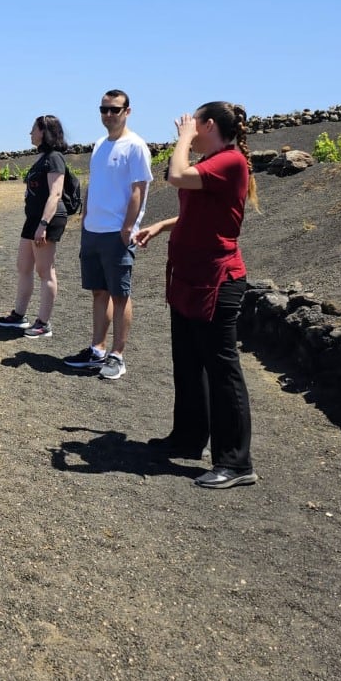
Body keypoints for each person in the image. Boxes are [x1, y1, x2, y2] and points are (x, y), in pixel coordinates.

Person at [134, 101, 259, 489]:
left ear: (208, 125)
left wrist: (184, 139)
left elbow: (176, 175)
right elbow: (199, 209)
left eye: (193, 123)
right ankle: (188, 438)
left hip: (217, 280)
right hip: (189, 276)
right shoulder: (214, 164)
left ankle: (236, 463)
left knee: (222, 371)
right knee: (187, 362)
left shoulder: (232, 161)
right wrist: (162, 225)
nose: (185, 128)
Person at [62, 89, 152, 380]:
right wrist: (86, 216)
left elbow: (139, 189)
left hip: (117, 232)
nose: (108, 115)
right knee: (99, 292)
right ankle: (97, 349)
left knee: (120, 294)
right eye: (104, 109)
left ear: (128, 111)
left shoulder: (136, 146)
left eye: (114, 109)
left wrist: (129, 226)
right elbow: (93, 184)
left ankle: (118, 355)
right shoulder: (100, 144)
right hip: (94, 230)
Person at [0, 115, 70, 338]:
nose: (30, 133)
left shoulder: (55, 158)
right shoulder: (43, 157)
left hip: (47, 220)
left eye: (33, 130)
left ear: (44, 132)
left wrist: (43, 225)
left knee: (45, 271)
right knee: (23, 266)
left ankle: (43, 323)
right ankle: (19, 315)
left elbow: (55, 194)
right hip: (33, 219)